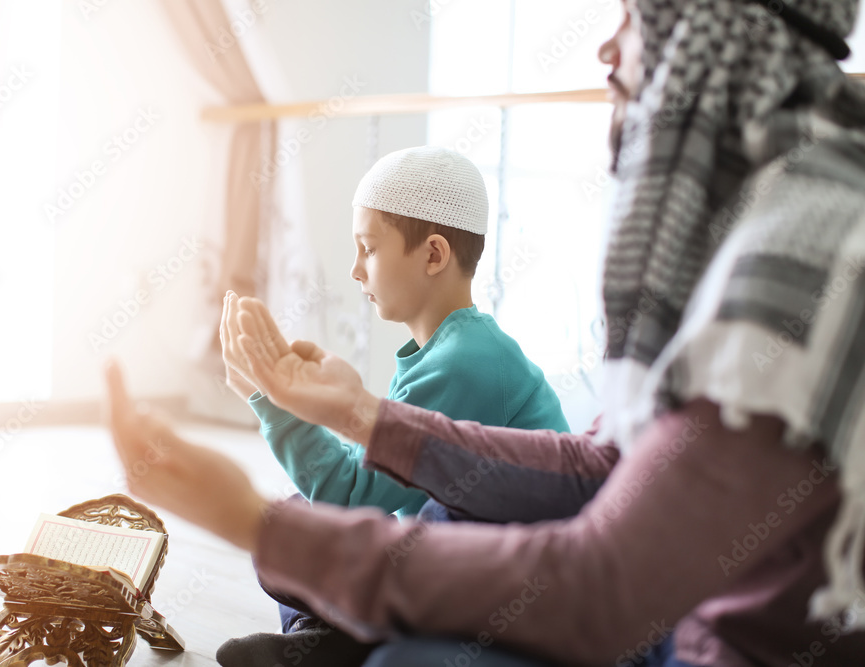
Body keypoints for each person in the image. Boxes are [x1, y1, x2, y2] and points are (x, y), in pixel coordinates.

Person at [103, 0, 865, 665]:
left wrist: (253, 517)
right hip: (662, 611)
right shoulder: (763, 223)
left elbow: (603, 591)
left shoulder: (803, 249)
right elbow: (603, 465)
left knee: (408, 608)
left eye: (633, 14)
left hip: (690, 637)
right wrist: (352, 411)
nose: (606, 49)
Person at [216, 146, 570, 665]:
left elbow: (352, 499)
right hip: (444, 562)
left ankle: (334, 646)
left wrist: (273, 404)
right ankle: (329, 641)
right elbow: (374, 484)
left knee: (292, 536)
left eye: (368, 248)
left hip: (505, 588)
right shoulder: (448, 350)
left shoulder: (467, 362)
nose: (355, 270)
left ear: (432, 255)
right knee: (290, 521)